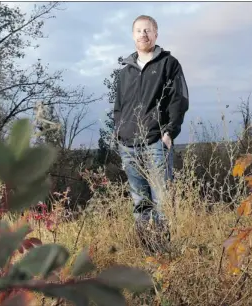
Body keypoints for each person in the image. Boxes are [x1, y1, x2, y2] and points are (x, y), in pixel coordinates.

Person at [113, 15, 189, 253]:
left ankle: (165, 252)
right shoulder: (125, 72)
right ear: (133, 35)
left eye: (148, 30)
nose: (143, 34)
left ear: (156, 34)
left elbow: (179, 99)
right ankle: (148, 253)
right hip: (128, 145)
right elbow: (118, 107)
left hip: (156, 142)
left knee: (162, 200)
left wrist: (169, 132)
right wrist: (118, 134)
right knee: (140, 202)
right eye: (138, 30)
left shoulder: (169, 64)